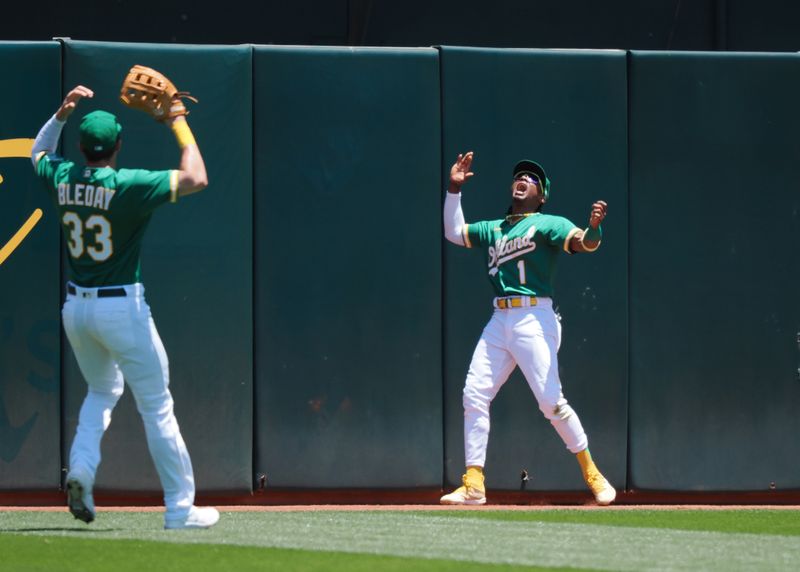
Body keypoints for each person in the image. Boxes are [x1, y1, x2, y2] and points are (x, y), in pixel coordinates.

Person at [31, 85, 220, 529]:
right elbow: (198, 177)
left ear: (80, 147)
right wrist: (178, 121)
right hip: (122, 308)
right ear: (118, 146)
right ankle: (179, 507)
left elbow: (37, 152)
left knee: (102, 391)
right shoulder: (128, 184)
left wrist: (61, 114)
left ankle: (81, 469)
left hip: (76, 309)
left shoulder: (63, 177)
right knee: (156, 405)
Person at [440, 151, 616, 506]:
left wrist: (594, 227)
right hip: (500, 318)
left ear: (542, 194)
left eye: (532, 179)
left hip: (535, 318)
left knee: (551, 402)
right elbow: (454, 233)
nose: (523, 179)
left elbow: (585, 243)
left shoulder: (549, 223)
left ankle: (592, 472)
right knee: (474, 394)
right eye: (519, 176)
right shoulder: (495, 228)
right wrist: (454, 190)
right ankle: (474, 483)